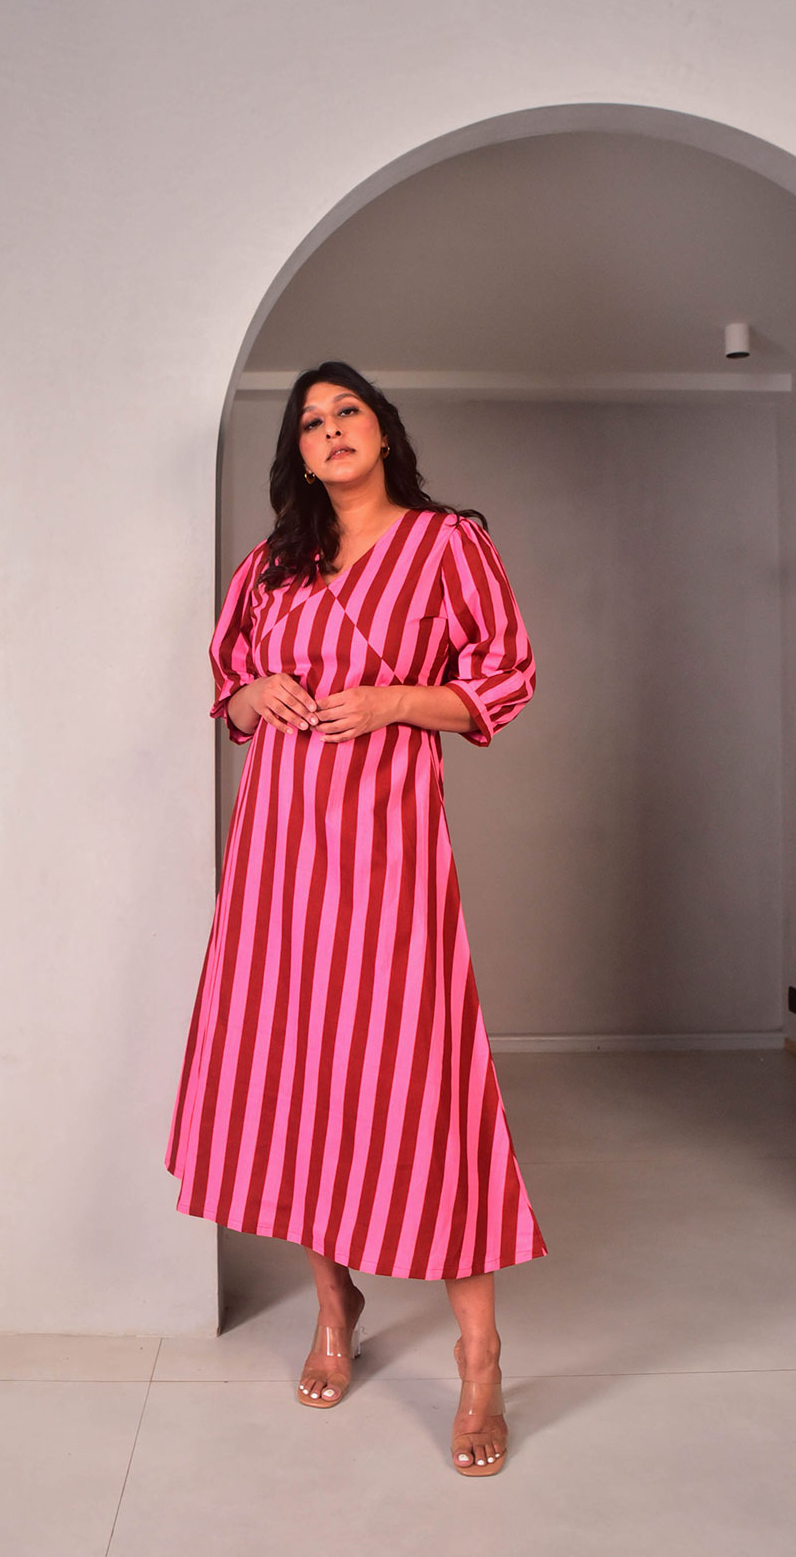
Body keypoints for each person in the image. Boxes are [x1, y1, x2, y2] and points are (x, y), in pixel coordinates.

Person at [165, 360, 546, 1477]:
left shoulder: (448, 543)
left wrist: (394, 701)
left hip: (389, 850)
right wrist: (252, 694)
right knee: (297, 1073)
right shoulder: (273, 564)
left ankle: (479, 1354)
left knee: (424, 1078)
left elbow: (506, 675)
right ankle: (335, 1307)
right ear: (298, 451)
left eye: (348, 412)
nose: (329, 429)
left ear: (383, 432)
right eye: (310, 422)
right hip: (278, 857)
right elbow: (227, 681)